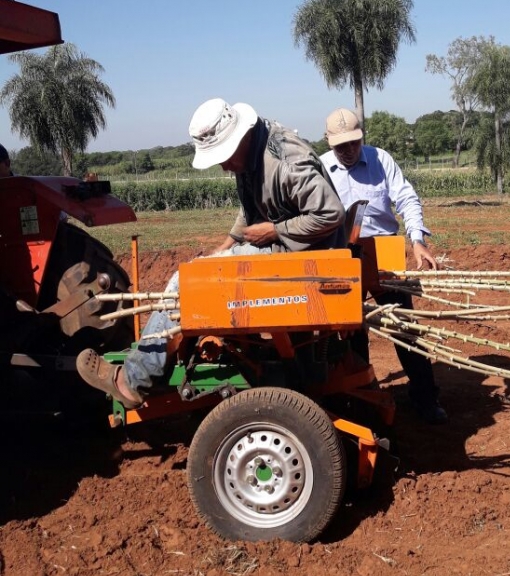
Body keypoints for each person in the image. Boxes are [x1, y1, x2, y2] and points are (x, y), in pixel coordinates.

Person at [77, 98, 346, 407]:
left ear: (241, 138)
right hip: (291, 248)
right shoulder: (250, 155)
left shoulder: (285, 160)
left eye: (223, 155)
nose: (222, 165)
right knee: (201, 270)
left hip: (310, 259)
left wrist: (274, 230)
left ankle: (132, 380)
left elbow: (330, 213)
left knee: (187, 283)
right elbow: (250, 211)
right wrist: (224, 248)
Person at [321, 107, 447, 424]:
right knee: (350, 334)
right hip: (340, 258)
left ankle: (424, 398)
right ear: (328, 142)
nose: (348, 151)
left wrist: (417, 239)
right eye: (341, 146)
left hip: (384, 251)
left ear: (361, 135)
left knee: (404, 327)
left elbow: (406, 197)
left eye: (354, 143)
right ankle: (362, 401)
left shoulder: (380, 159)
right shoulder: (320, 169)